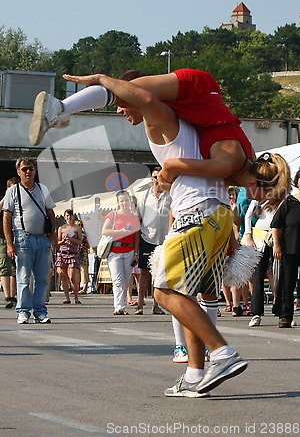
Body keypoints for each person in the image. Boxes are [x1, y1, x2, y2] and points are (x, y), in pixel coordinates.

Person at [58, 71, 252, 398]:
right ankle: (194, 373)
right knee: (187, 296)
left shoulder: (159, 118)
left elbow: (144, 98)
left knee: (164, 293)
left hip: (197, 211)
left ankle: (222, 353)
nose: (120, 109)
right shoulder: (194, 123)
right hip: (216, 210)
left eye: (122, 102)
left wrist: (96, 87)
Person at [28, 69, 290, 210]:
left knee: (131, 99)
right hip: (197, 88)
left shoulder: (245, 159)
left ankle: (61, 111)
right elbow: (174, 165)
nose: (259, 202)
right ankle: (59, 108)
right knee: (130, 95)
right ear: (256, 183)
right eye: (263, 197)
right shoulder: (229, 164)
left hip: (203, 98)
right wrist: (166, 182)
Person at [3, 158, 56, 324]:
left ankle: (40, 312)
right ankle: (23, 311)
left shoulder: (42, 189)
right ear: (18, 172)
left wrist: (52, 237)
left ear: (35, 171)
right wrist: (10, 244)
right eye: (24, 169)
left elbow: (51, 212)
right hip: (23, 238)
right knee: (24, 277)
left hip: (42, 239)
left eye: (31, 169)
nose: (28, 172)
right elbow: (6, 217)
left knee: (42, 279)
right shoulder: (13, 191)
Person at [271, 168, 300, 329]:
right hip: (289, 249)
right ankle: (285, 316)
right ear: (297, 184)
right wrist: (276, 245)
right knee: (287, 284)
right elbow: (276, 225)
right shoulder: (288, 202)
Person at [134, 166, 172, 316]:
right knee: (144, 272)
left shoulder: (169, 196)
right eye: (155, 177)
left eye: (160, 177)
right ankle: (139, 304)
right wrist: (136, 249)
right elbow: (138, 221)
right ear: (151, 179)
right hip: (146, 237)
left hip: (164, 239)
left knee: (159, 274)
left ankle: (157, 305)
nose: (158, 180)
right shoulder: (143, 196)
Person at [102, 190, 140, 315]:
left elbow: (136, 236)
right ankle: (119, 307)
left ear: (130, 201)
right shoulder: (113, 215)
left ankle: (122, 304)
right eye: (121, 201)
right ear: (118, 202)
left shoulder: (134, 217)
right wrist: (120, 232)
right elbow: (105, 231)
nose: (124, 203)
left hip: (129, 251)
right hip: (115, 251)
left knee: (126, 280)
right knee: (117, 280)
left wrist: (135, 253)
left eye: (126, 200)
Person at [243, 198, 280, 327]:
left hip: (279, 236)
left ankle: (284, 312)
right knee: (258, 275)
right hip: (260, 238)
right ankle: (256, 313)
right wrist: (248, 235)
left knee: (282, 274)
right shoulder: (261, 196)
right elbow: (247, 215)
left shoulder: (286, 195)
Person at [55, 209, 82, 304]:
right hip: (63, 254)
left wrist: (71, 239)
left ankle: (76, 297)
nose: (68, 217)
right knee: (64, 276)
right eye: (67, 216)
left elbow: (80, 242)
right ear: (64, 217)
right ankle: (67, 298)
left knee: (72, 276)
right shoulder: (61, 228)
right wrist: (62, 241)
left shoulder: (77, 228)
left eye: (70, 215)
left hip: (72, 254)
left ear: (73, 217)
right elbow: (57, 242)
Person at [0, 177, 19, 308]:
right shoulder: (4, 200)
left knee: (15, 268)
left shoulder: (21, 200)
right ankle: (7, 296)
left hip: (18, 236)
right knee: (4, 266)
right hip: (3, 237)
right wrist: (6, 197)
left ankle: (13, 296)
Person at [75, 219, 90, 295]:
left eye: (81, 225)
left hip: (83, 253)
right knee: (75, 271)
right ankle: (76, 288)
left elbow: (89, 244)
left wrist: (85, 246)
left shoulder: (85, 234)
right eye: (78, 225)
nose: (80, 227)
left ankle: (84, 288)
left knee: (84, 270)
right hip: (75, 253)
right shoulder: (73, 234)